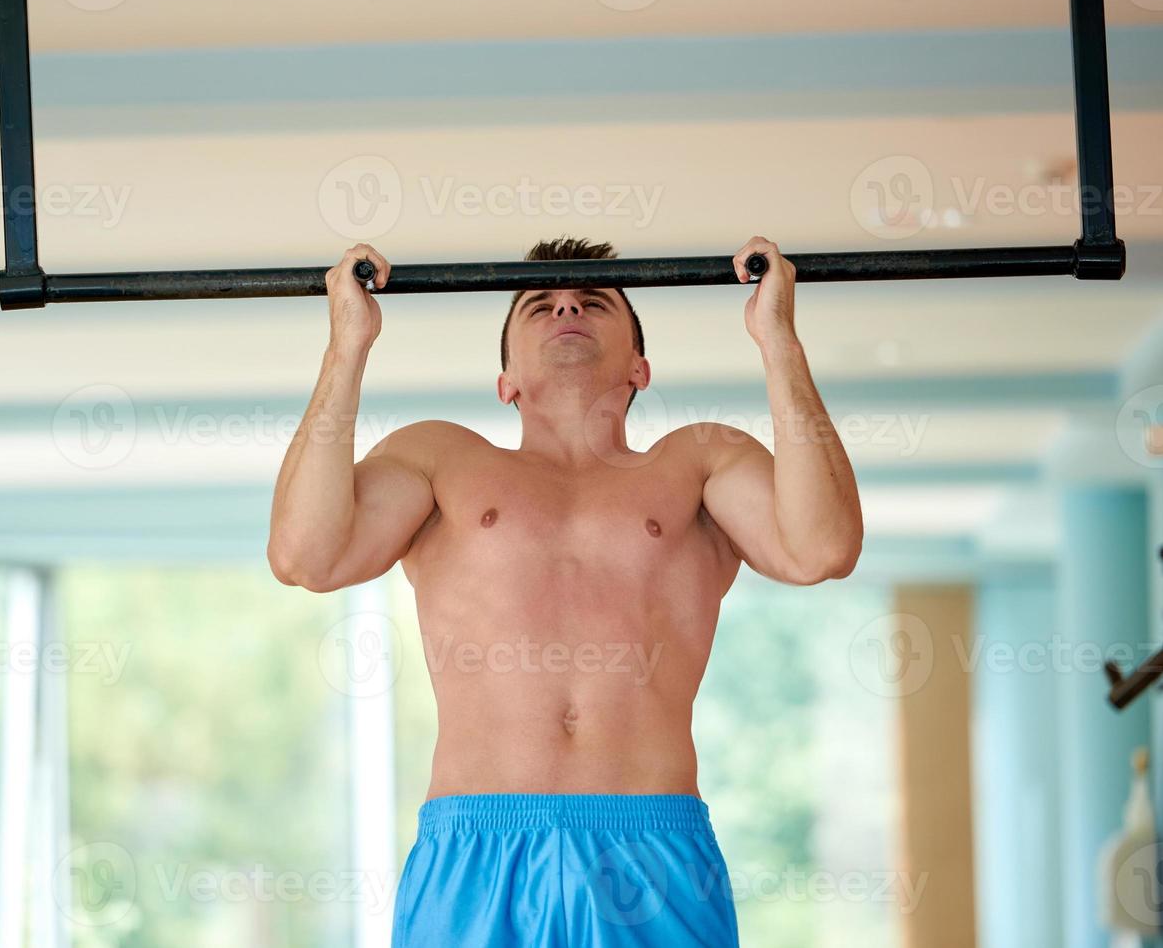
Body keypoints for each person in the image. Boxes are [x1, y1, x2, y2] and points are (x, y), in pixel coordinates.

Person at [267, 235, 863, 947]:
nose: (567, 307)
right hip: (474, 851)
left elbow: (820, 547)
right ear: (505, 379)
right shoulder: (439, 458)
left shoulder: (698, 460)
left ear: (640, 367)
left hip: (649, 847)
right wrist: (348, 347)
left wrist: (777, 340)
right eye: (539, 305)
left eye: (593, 300)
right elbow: (306, 556)